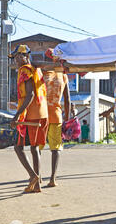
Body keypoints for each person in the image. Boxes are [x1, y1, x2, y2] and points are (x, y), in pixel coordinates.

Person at [9, 44, 49, 193]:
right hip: (41, 112)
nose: (16, 60)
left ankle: (33, 176)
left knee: (18, 147)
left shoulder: (25, 70)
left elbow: (30, 95)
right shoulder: (35, 69)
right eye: (15, 57)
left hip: (32, 114)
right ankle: (37, 184)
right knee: (34, 148)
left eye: (20, 56)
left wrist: (17, 115)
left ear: (27, 56)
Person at [39, 48, 71, 187]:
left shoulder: (42, 73)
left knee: (37, 147)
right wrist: (68, 119)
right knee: (56, 148)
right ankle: (53, 178)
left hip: (41, 114)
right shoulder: (63, 75)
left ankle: (38, 177)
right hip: (56, 115)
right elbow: (68, 100)